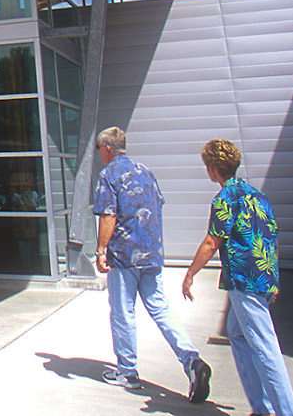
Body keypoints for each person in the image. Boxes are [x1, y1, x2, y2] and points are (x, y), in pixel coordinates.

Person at [182, 139, 293, 416]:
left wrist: (190, 274)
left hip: (244, 282)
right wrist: (274, 279)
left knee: (265, 348)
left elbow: (213, 242)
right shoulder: (259, 196)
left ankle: (285, 412)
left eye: (207, 166)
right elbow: (272, 239)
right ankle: (261, 408)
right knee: (237, 334)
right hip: (262, 278)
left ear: (213, 169)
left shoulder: (225, 198)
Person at [92, 127, 211, 402]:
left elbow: (108, 216)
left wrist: (101, 250)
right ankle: (192, 361)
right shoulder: (145, 171)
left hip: (124, 256)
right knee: (160, 307)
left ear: (107, 149)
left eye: (99, 149)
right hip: (152, 253)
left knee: (123, 312)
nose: (99, 154)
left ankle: (127, 372)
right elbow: (157, 207)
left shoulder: (108, 175)